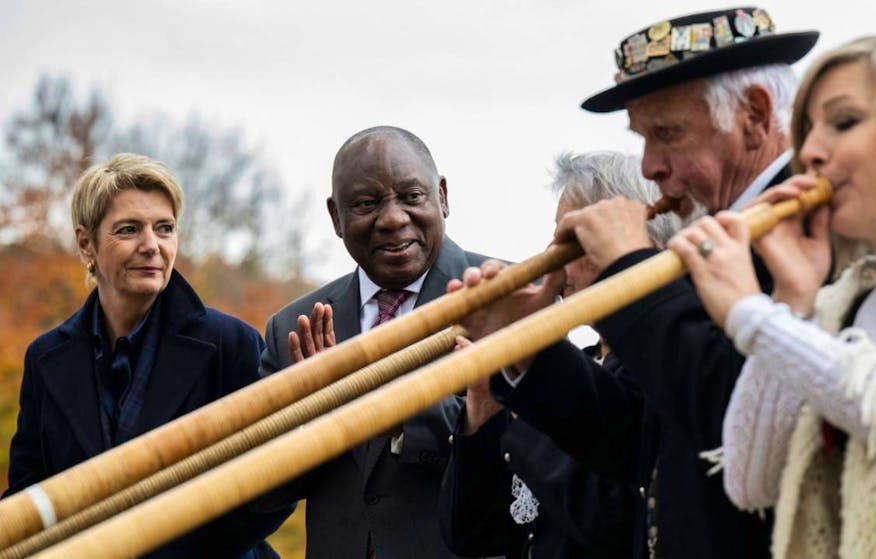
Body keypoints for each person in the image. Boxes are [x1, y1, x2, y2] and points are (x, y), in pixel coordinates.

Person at [449, 8, 819, 558]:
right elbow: (641, 440)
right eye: (642, 138)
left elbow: (731, 419)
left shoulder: (813, 228)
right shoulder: (717, 230)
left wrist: (629, 271)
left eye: (667, 134)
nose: (649, 168)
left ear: (754, 116)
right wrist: (529, 345)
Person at [669, 30, 876, 558]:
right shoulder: (848, 297)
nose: (812, 152)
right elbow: (749, 480)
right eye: (808, 129)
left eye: (843, 123)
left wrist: (751, 316)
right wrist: (792, 300)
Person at [4, 153, 292, 558]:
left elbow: (273, 485)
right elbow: (28, 493)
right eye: (128, 230)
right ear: (86, 243)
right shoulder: (46, 356)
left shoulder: (233, 343)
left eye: (165, 228)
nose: (151, 246)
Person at [259, 126, 494, 558]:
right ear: (336, 217)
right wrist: (310, 417)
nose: (392, 219)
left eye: (411, 196)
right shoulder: (293, 326)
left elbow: (521, 460)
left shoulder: (505, 297)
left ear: (441, 196)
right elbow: (264, 491)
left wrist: (386, 402)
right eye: (367, 203)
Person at [439, 151, 687, 558]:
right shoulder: (582, 367)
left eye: (572, 242)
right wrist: (481, 410)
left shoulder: (658, 367)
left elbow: (613, 518)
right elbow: (470, 534)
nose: (553, 259)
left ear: (637, 243)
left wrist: (531, 396)